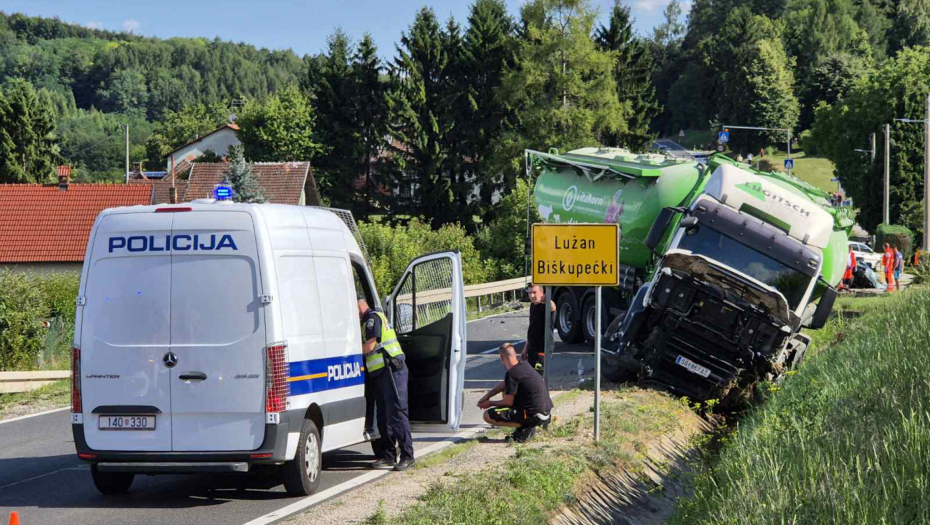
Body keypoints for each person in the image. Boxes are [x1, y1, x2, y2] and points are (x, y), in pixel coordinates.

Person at [358, 299, 415, 471]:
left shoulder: (372, 319)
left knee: (397, 414)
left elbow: (370, 346)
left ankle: (407, 455)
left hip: (392, 370)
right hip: (381, 373)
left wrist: (349, 351)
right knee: (383, 416)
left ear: (358, 305)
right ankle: (388, 455)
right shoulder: (368, 320)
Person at [477, 343, 554, 443]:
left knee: (487, 415)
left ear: (501, 357)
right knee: (508, 391)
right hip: (545, 412)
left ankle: (526, 428)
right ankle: (526, 425)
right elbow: (505, 385)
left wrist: (490, 403)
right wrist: (487, 396)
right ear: (515, 354)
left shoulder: (511, 374)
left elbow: (508, 402)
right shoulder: (524, 365)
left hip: (534, 415)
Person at [522, 284, 556, 374]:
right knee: (532, 374)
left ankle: (541, 388)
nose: (532, 295)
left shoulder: (546, 305)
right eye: (529, 293)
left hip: (543, 347)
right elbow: (532, 327)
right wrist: (526, 347)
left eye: (534, 292)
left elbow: (553, 308)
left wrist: (548, 301)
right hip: (532, 347)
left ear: (542, 292)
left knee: (539, 375)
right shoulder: (532, 306)